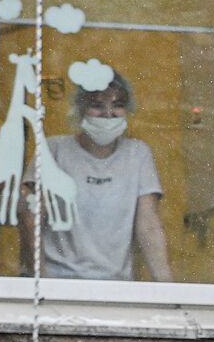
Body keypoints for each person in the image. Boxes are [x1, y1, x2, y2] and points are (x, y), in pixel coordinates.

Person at [19, 74, 172, 280]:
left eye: (117, 105)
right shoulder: (54, 150)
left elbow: (149, 226)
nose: (108, 114)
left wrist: (169, 291)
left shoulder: (137, 154)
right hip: (59, 282)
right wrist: (41, 283)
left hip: (116, 286)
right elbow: (31, 219)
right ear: (81, 109)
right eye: (97, 105)